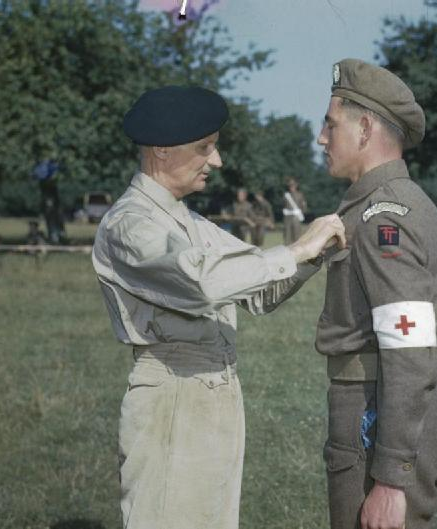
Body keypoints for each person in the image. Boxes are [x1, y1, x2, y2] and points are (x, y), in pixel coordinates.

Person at [91, 85, 345, 529]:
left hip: (216, 387)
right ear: (163, 152)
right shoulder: (129, 224)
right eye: (205, 148)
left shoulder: (191, 223)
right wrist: (296, 250)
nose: (218, 161)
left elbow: (259, 292)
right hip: (173, 391)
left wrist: (314, 256)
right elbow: (202, 283)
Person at [315, 58, 437, 529]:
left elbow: (409, 349)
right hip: (385, 414)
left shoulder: (383, 219)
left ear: (364, 129)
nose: (322, 138)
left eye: (330, 124)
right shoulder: (392, 204)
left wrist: (390, 479)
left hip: (377, 419)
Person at [282, 176, 307, 244]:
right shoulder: (286, 195)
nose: (291, 187)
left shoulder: (300, 195)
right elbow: (284, 206)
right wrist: (285, 211)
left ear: (296, 185)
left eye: (293, 185)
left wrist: (300, 212)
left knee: (297, 236)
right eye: (290, 185)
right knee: (287, 236)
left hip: (296, 218)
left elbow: (304, 206)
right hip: (288, 218)